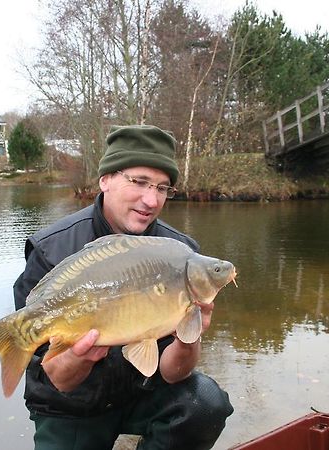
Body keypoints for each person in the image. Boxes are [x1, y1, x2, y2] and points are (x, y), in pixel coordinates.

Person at [13, 124, 234, 450]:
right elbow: (57, 379)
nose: (150, 199)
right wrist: (81, 357)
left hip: (141, 395)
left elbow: (173, 374)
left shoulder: (181, 253)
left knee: (206, 403)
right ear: (105, 180)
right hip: (71, 407)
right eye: (139, 181)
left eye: (162, 188)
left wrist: (189, 338)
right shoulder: (51, 251)